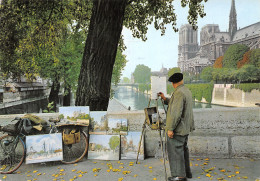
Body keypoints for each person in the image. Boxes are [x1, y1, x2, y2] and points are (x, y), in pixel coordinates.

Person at [158, 72, 195, 181]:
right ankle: (187, 173)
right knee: (183, 150)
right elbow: (176, 104)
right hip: (185, 127)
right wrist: (165, 99)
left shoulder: (178, 93)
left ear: (173, 83)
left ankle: (179, 176)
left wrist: (170, 129)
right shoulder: (186, 90)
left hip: (178, 129)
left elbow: (175, 113)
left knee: (175, 152)